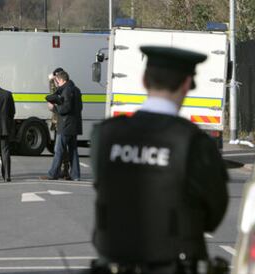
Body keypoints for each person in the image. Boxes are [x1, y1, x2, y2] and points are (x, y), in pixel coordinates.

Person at [90, 46, 229, 273]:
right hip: (175, 265)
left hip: (112, 263)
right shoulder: (195, 143)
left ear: (144, 80)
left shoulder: (105, 134)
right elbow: (214, 213)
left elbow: (103, 186)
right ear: (187, 85)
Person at [40, 70, 83, 181]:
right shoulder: (76, 90)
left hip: (65, 125)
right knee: (73, 151)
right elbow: (79, 108)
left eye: (57, 81)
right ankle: (75, 175)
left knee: (59, 150)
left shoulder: (66, 90)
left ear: (61, 79)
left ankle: (52, 174)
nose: (57, 83)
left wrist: (53, 108)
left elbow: (65, 108)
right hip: (75, 125)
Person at [48, 67, 70, 180]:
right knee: (62, 148)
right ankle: (64, 170)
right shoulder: (65, 87)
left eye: (57, 78)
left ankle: (61, 171)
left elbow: (53, 94)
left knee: (60, 148)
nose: (55, 80)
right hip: (58, 121)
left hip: (61, 121)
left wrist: (51, 80)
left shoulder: (63, 89)